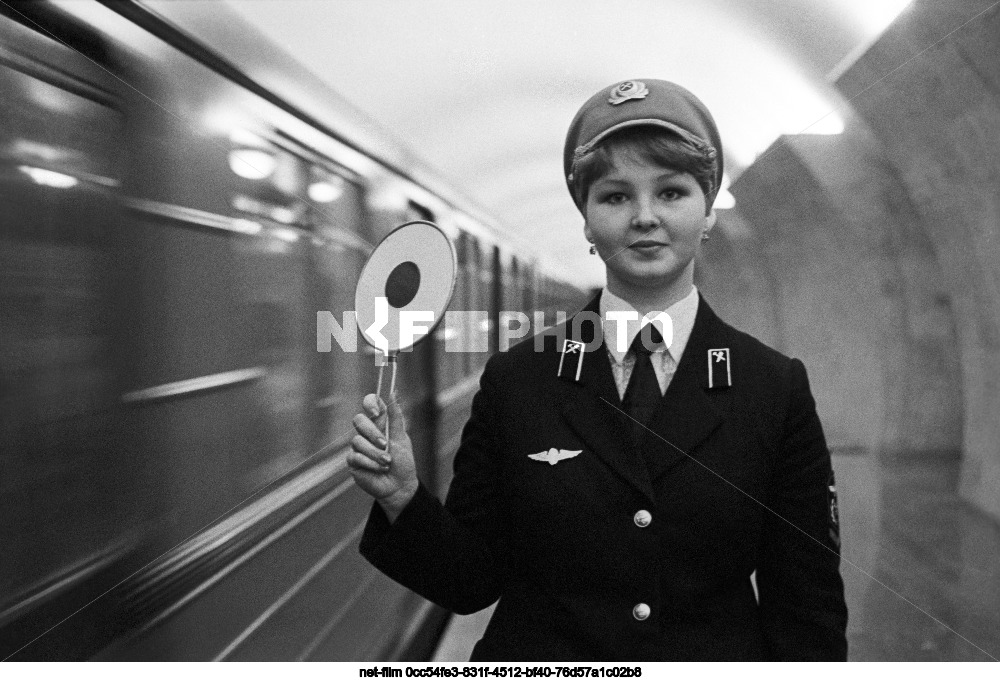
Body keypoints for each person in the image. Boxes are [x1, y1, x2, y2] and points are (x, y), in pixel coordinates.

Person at [348, 79, 848, 661]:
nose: (644, 218)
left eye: (672, 192)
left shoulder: (773, 388)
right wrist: (403, 497)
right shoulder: (517, 380)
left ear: (707, 211)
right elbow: (470, 581)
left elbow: (806, 610)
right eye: (614, 197)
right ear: (585, 221)